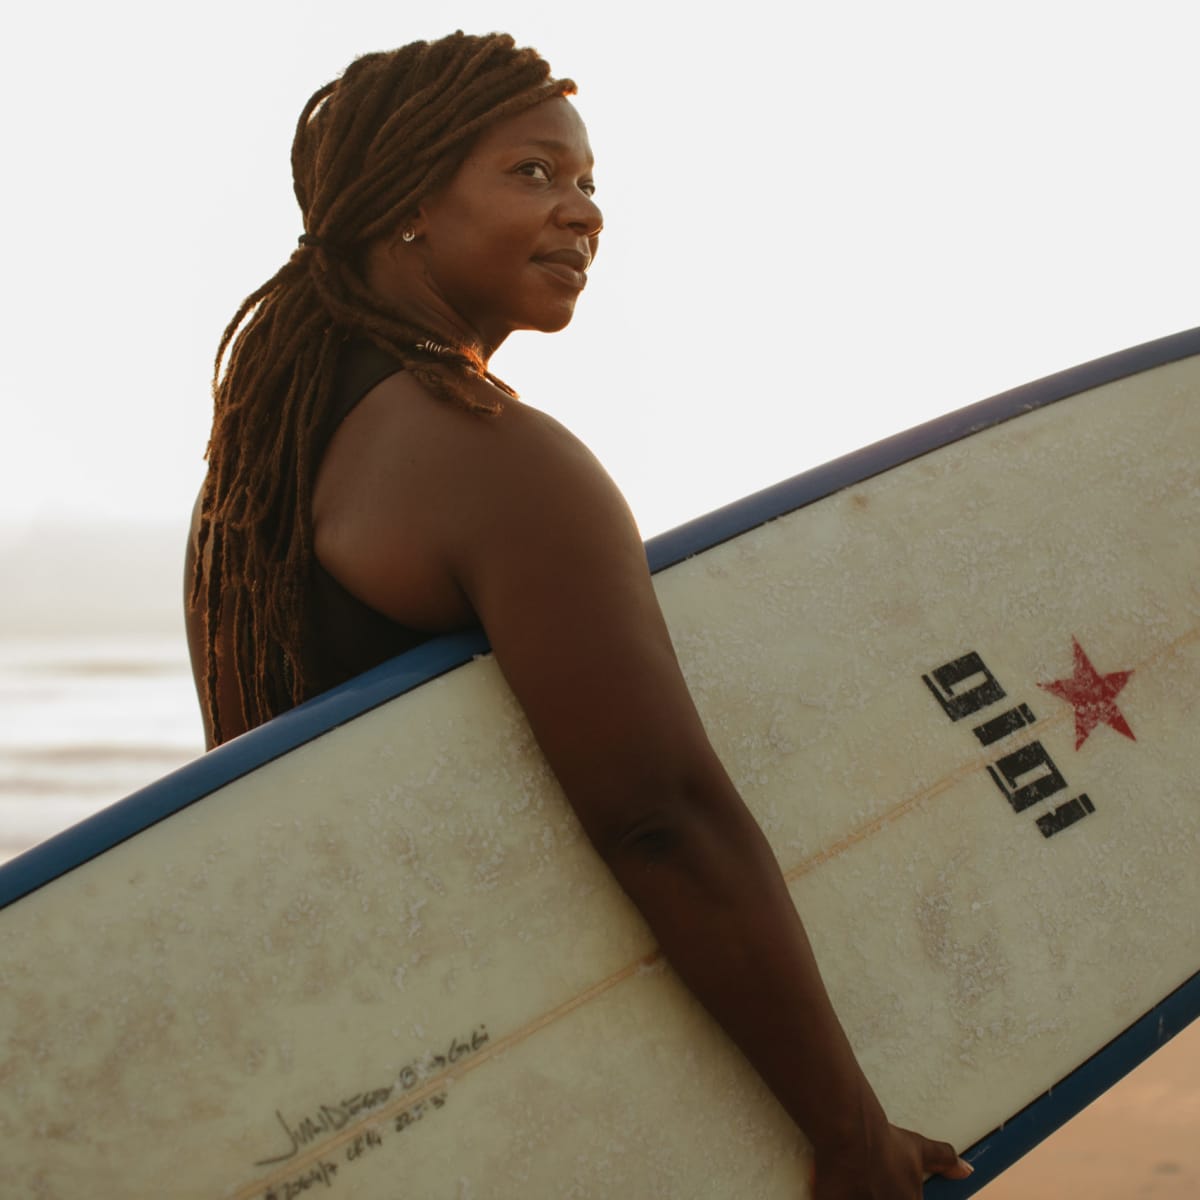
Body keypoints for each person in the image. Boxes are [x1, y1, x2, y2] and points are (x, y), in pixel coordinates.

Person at [185, 31, 973, 1199]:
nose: (584, 212)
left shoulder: (267, 459)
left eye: (589, 182)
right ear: (405, 200)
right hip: (522, 1073)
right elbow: (661, 817)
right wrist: (848, 1133)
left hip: (371, 1083)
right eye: (534, 174)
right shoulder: (495, 461)